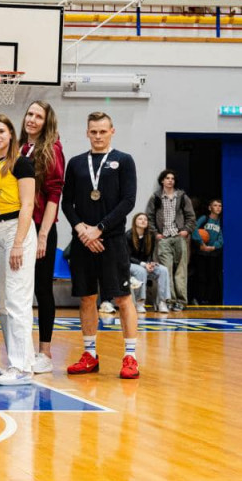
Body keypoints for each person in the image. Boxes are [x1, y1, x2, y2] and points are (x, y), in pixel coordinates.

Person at [61, 112, 141, 379]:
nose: (97, 136)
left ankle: (130, 356)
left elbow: (128, 201)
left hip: (112, 240)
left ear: (112, 132)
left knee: (122, 298)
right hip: (83, 241)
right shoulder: (76, 163)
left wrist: (100, 228)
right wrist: (81, 229)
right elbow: (66, 203)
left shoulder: (124, 160)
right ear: (87, 132)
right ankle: (89, 355)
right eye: (93, 132)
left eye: (102, 131)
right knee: (87, 297)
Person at [0, 113, 37, 385]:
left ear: (11, 134)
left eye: (1, 131)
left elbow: (28, 204)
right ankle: (17, 361)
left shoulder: (22, 163)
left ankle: (23, 367)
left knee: (17, 301)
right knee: (4, 304)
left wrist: (18, 242)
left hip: (17, 229)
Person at [19, 100, 65, 373]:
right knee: (21, 291)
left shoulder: (52, 149)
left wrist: (44, 235)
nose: (32, 119)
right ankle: (22, 349)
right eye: (29, 114)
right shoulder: (19, 148)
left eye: (38, 116)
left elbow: (54, 196)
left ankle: (45, 352)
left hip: (40, 227)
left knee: (42, 289)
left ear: (46, 122)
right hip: (19, 227)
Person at [145, 169, 195, 311]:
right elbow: (149, 217)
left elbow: (191, 216)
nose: (170, 180)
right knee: (166, 271)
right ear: (162, 180)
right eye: (167, 178)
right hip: (164, 239)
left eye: (172, 178)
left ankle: (181, 301)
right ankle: (169, 300)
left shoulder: (182, 196)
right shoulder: (156, 197)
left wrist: (186, 231)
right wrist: (156, 234)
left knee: (181, 271)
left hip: (179, 237)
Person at [126, 212, 172, 313]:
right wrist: (144, 264)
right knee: (141, 271)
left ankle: (162, 302)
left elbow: (149, 255)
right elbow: (128, 257)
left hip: (144, 264)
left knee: (163, 270)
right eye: (140, 219)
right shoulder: (128, 235)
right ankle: (140, 302)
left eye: (145, 219)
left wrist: (151, 263)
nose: (143, 221)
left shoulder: (150, 236)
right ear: (134, 222)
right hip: (129, 265)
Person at [191, 199, 223, 305]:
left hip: (213, 254)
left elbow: (221, 239)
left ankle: (208, 300)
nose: (218, 207)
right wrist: (201, 243)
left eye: (220, 206)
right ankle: (197, 298)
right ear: (210, 208)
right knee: (201, 276)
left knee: (212, 277)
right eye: (215, 205)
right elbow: (194, 229)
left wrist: (214, 247)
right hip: (201, 253)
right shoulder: (204, 218)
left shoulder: (221, 222)